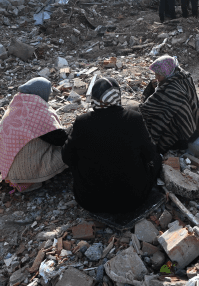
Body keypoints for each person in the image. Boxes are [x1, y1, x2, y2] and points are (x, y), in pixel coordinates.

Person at [62, 77, 161, 214]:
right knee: (157, 159)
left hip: (89, 201)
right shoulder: (134, 119)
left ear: (93, 98)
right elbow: (149, 154)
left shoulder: (82, 122)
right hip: (133, 199)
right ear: (117, 96)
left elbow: (66, 157)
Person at [0, 77, 68, 192]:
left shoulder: (16, 106)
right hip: (25, 171)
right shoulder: (37, 111)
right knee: (70, 152)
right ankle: (31, 180)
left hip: (9, 169)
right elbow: (60, 140)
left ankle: (20, 179)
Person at [139, 56, 199, 154]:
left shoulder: (172, 89)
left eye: (159, 74)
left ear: (167, 72)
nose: (156, 77)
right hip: (195, 124)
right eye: (155, 73)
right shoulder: (182, 76)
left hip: (181, 132)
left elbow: (148, 109)